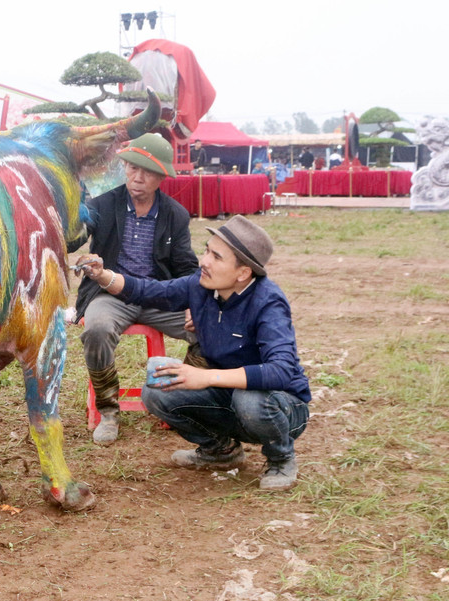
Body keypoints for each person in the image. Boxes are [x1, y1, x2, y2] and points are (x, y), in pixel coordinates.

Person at [76, 215, 310, 490]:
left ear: (243, 273)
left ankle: (281, 458)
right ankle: (221, 451)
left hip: (281, 405)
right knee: (157, 392)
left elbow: (281, 371)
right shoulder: (199, 287)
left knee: (250, 400)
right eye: (206, 250)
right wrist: (102, 275)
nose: (204, 261)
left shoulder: (268, 302)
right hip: (230, 395)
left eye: (217, 257)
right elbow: (148, 291)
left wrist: (206, 378)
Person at [74, 133, 201, 446]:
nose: (138, 177)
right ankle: (108, 410)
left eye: (147, 172)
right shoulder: (102, 205)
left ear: (161, 177)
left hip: (159, 294)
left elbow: (186, 268)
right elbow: (72, 238)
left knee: (209, 327)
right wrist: (81, 248)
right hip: (111, 292)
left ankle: (180, 400)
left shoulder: (175, 215)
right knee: (97, 329)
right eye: (132, 168)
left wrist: (196, 305)